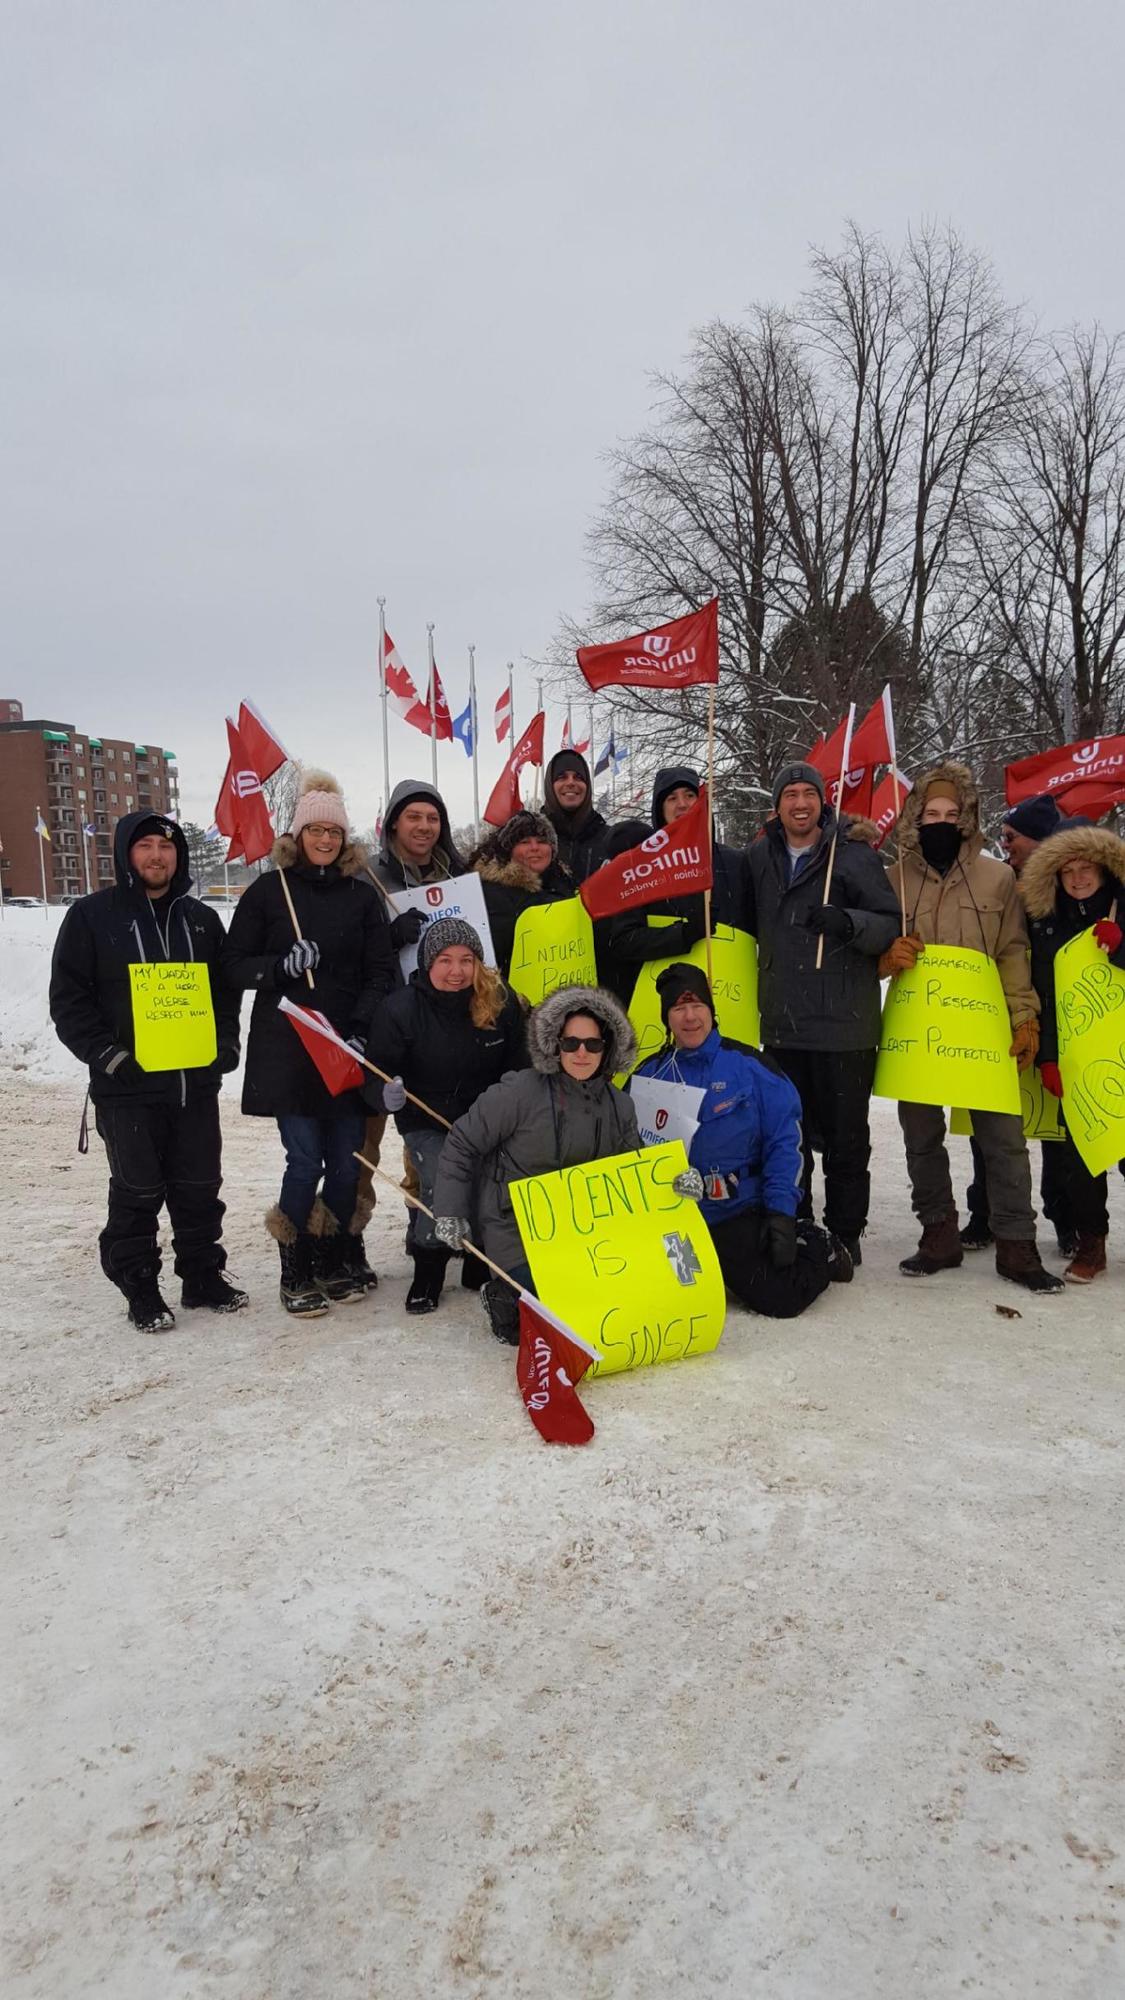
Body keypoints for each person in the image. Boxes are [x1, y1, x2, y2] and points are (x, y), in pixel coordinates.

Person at [49, 812, 245, 1333]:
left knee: (200, 1186)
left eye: (166, 846)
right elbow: (69, 1002)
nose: (157, 855)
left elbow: (224, 995)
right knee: (137, 1191)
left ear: (179, 856)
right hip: (126, 1088)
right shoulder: (92, 917)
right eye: (146, 846)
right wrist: (109, 1057)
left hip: (193, 1085)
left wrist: (226, 1043)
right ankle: (139, 1283)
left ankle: (202, 1276)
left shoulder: (202, 921)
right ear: (126, 853)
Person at [881, 762, 1063, 1292]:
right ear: (916, 817)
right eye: (931, 813)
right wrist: (887, 957)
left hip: (982, 1028)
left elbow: (1012, 951)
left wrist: (1024, 1016)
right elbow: (871, 947)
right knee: (921, 1136)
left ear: (967, 817)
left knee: (1004, 1138)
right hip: (918, 1031)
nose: (941, 821)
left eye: (951, 813)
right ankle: (938, 1232)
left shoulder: (997, 877)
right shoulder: (893, 879)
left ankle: (1016, 1243)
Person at [225, 772, 395, 1317]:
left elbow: (380, 971)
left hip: (344, 1048)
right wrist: (278, 967)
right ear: (297, 835)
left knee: (346, 1163)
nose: (325, 839)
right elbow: (232, 965)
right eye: (315, 830)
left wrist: (361, 1029)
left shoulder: (361, 896)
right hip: (289, 1052)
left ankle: (330, 1256)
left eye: (334, 831)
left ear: (345, 838)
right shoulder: (268, 891)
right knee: (305, 1160)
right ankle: (294, 1265)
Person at [745, 760, 901, 1262]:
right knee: (788, 1136)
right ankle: (799, 1223)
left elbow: (889, 924)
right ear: (777, 806)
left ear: (822, 802)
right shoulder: (759, 856)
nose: (800, 803)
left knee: (845, 1140)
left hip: (844, 1026)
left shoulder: (852, 855)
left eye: (808, 794)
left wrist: (849, 922)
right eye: (790, 795)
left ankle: (845, 1233)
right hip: (784, 1024)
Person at [431, 985, 648, 1343]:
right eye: (571, 1043)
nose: (581, 1053)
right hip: (515, 1227)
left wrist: (674, 1180)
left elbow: (635, 1170)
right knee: (550, 1321)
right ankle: (503, 1296)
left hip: (584, 1230)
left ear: (607, 1047)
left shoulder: (619, 1106)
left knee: (610, 1309)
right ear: (555, 1044)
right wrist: (450, 1211)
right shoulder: (518, 1092)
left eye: (592, 1044)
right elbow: (463, 1143)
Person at [631, 964, 850, 1316]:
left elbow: (786, 1144)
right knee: (661, 1300)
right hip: (675, 1217)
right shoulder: (649, 1075)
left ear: (711, 1010)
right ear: (666, 1018)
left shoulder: (751, 1068)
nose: (690, 1017)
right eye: (679, 1008)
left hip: (735, 1211)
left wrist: (781, 1213)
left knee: (781, 1298)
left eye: (698, 1005)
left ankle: (819, 1246)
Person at [363, 917, 528, 1313]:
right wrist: (385, 1093)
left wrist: (511, 1109)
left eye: (466, 960)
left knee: (491, 1182)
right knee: (442, 1183)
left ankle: (478, 1260)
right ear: (428, 963)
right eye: (445, 960)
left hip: (486, 1117)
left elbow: (519, 1064)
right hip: (427, 1118)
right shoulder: (401, 1008)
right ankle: (428, 1269)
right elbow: (376, 1070)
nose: (457, 971)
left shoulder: (499, 1001)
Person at [961, 792, 1070, 1252]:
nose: (1005, 844)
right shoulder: (998, 882)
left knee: (1056, 1129)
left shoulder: (1068, 888)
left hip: (1055, 1022)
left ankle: (1067, 1221)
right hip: (996, 1019)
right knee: (988, 1127)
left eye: (1012, 836)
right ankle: (984, 1215)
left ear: (1040, 840)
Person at [1019, 820, 1125, 1282]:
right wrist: (1048, 1058)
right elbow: (1044, 992)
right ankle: (1091, 1241)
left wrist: (1121, 948)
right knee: (1079, 1158)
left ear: (1104, 869)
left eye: (1087, 868)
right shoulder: (1047, 924)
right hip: (1076, 1056)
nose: (1078, 878)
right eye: (1067, 870)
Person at [603, 766, 750, 1000]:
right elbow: (624, 941)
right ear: (660, 810)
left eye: (689, 795)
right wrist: (684, 934)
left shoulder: (736, 862)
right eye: (672, 798)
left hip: (730, 995)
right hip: (666, 1001)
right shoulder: (643, 868)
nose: (682, 804)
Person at [467, 811, 574, 978]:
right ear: (509, 850)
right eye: (524, 842)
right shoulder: (488, 894)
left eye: (542, 841)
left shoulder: (567, 885)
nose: (534, 848)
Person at [542, 749, 611, 884]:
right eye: (562, 777)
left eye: (578, 777)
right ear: (550, 785)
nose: (571, 783)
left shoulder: (611, 840)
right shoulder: (529, 839)